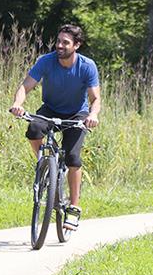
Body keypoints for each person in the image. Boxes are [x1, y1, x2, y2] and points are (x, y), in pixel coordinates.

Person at [9, 24, 100, 230]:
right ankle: (44, 163)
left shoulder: (87, 66)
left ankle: (74, 207)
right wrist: (18, 104)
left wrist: (93, 115)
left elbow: (95, 98)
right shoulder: (46, 61)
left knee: (73, 157)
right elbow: (26, 86)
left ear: (76, 45)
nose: (59, 45)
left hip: (77, 114)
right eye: (58, 41)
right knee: (34, 129)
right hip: (50, 110)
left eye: (65, 43)